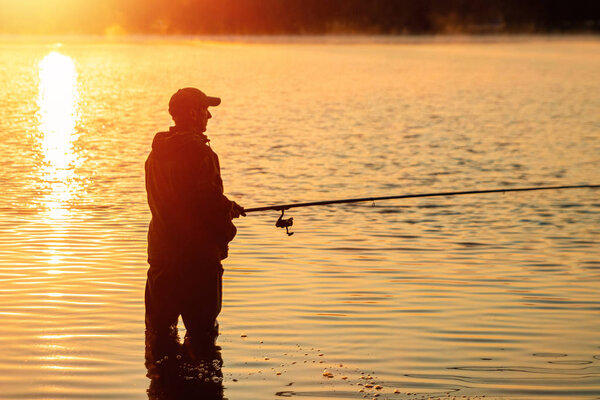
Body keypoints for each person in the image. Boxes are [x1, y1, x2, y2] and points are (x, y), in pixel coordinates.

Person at [144, 87, 244, 363]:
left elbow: (181, 202)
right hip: (197, 264)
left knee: (159, 338)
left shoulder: (155, 155)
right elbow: (207, 204)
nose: (209, 115)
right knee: (202, 341)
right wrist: (227, 227)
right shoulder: (201, 153)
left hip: (161, 259)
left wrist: (225, 206)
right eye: (204, 109)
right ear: (191, 112)